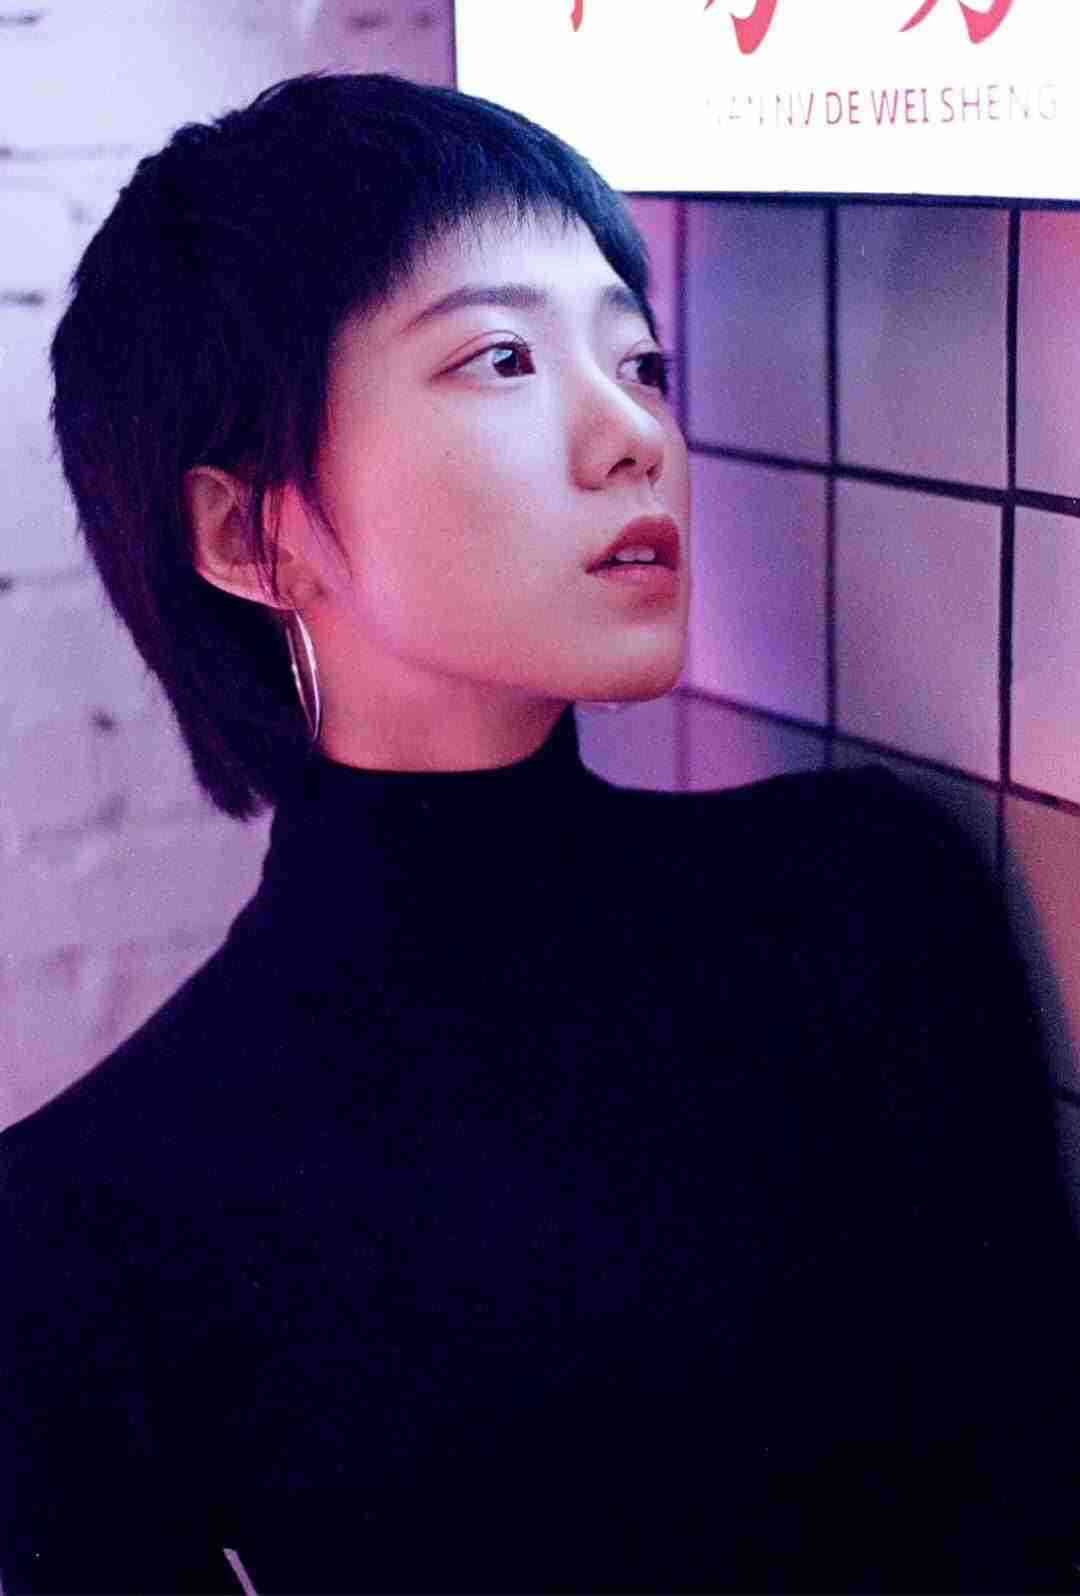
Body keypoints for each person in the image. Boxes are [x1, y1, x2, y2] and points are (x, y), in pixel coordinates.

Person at [2, 71, 1078, 1595]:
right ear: (251, 534)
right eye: (501, 357)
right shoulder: (87, 1223)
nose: (632, 433)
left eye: (640, 361)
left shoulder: (861, 904)